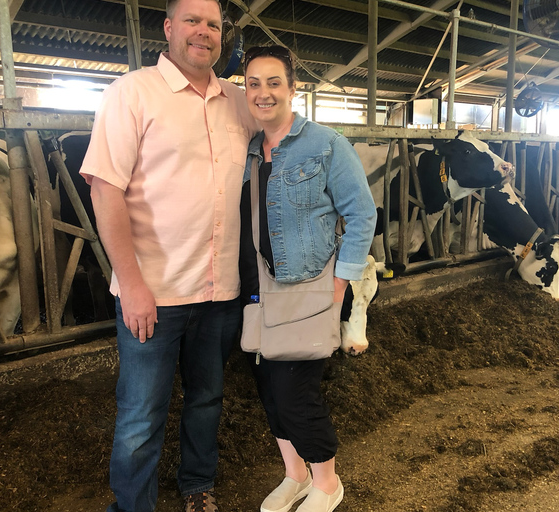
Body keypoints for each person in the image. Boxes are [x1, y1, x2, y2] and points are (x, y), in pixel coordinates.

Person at [79, 0, 257, 511]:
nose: (204, 32)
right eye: (193, 21)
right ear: (168, 28)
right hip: (152, 292)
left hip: (219, 290)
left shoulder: (238, 102)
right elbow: (105, 190)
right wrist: (131, 285)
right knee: (140, 414)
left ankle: (197, 487)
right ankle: (134, 506)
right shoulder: (131, 93)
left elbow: (283, 135)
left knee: (207, 400)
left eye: (214, 25)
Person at [238, 46, 377, 512]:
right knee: (270, 394)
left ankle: (326, 483)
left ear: (293, 88)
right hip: (260, 288)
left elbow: (362, 214)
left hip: (309, 286)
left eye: (274, 82)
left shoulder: (326, 144)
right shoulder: (252, 152)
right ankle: (295, 476)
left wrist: (341, 282)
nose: (263, 93)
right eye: (254, 83)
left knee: (297, 395)